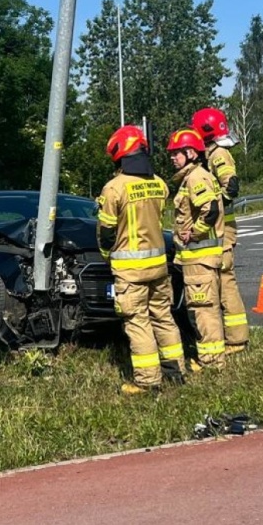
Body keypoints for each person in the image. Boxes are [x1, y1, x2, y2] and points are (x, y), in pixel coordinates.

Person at [96, 125, 186, 394]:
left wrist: (107, 257)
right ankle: (176, 371)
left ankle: (148, 380)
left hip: (130, 271)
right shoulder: (159, 184)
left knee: (138, 322)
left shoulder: (114, 188)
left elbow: (106, 233)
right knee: (163, 317)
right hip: (158, 266)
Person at [166, 128, 226, 371]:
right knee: (202, 309)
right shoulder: (192, 177)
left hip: (200, 258)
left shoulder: (195, 178)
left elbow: (210, 210)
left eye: (176, 153)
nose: (172, 158)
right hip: (197, 259)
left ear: (191, 153)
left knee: (203, 311)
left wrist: (194, 232)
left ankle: (211, 362)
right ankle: (210, 358)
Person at [191, 107, 249, 354]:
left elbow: (231, 186)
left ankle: (236, 340)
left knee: (226, 284)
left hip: (223, 231)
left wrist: (213, 204)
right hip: (221, 230)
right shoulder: (213, 153)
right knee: (223, 283)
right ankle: (234, 337)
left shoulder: (218, 154)